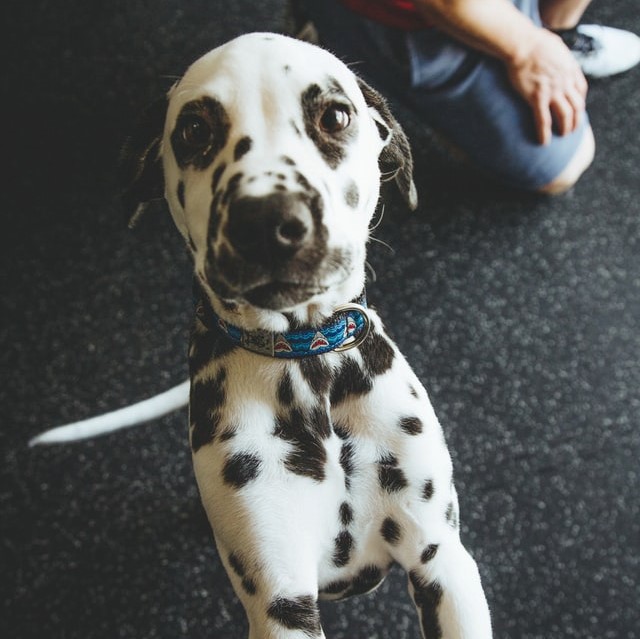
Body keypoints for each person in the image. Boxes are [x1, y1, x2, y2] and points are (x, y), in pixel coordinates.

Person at [295, 0, 640, 194]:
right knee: (561, 165)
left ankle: (557, 34)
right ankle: (327, 35)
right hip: (415, 17)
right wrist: (526, 47)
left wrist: (547, 39)